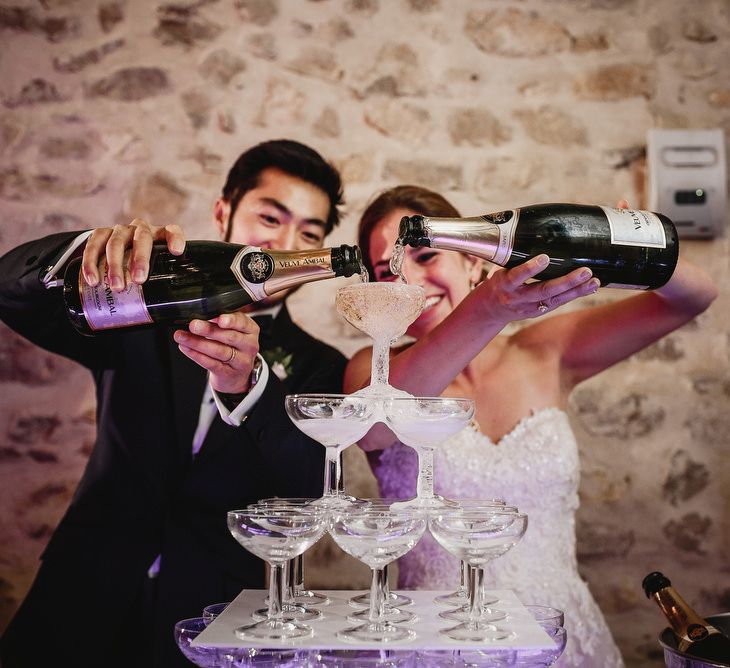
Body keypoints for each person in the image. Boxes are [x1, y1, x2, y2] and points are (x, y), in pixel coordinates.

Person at [0, 139, 347, 668]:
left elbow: (309, 487)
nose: (284, 242)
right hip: (80, 596)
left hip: (214, 619)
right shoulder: (145, 305)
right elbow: (9, 292)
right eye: (270, 217)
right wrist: (85, 252)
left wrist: (250, 388)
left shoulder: (321, 364)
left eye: (308, 233)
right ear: (222, 212)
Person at [344, 185, 718, 667]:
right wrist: (487, 309)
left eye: (426, 255)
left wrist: (627, 248)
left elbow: (694, 297)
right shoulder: (371, 372)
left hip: (562, 634)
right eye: (389, 270)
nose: (410, 280)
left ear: (473, 261)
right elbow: (375, 429)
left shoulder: (545, 351)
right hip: (436, 642)